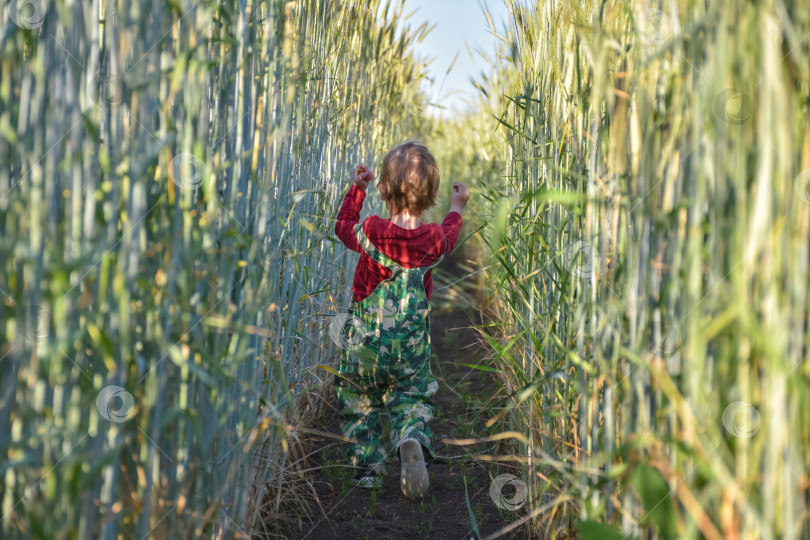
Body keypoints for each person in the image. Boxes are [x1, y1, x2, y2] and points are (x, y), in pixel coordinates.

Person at [333, 140, 469, 498]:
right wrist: (456, 208)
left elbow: (342, 225)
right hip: (410, 351)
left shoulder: (371, 231)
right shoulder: (433, 240)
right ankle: (410, 436)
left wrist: (356, 190)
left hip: (365, 347)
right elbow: (451, 236)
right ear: (432, 194)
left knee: (358, 398)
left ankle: (367, 470)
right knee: (412, 397)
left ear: (383, 190)